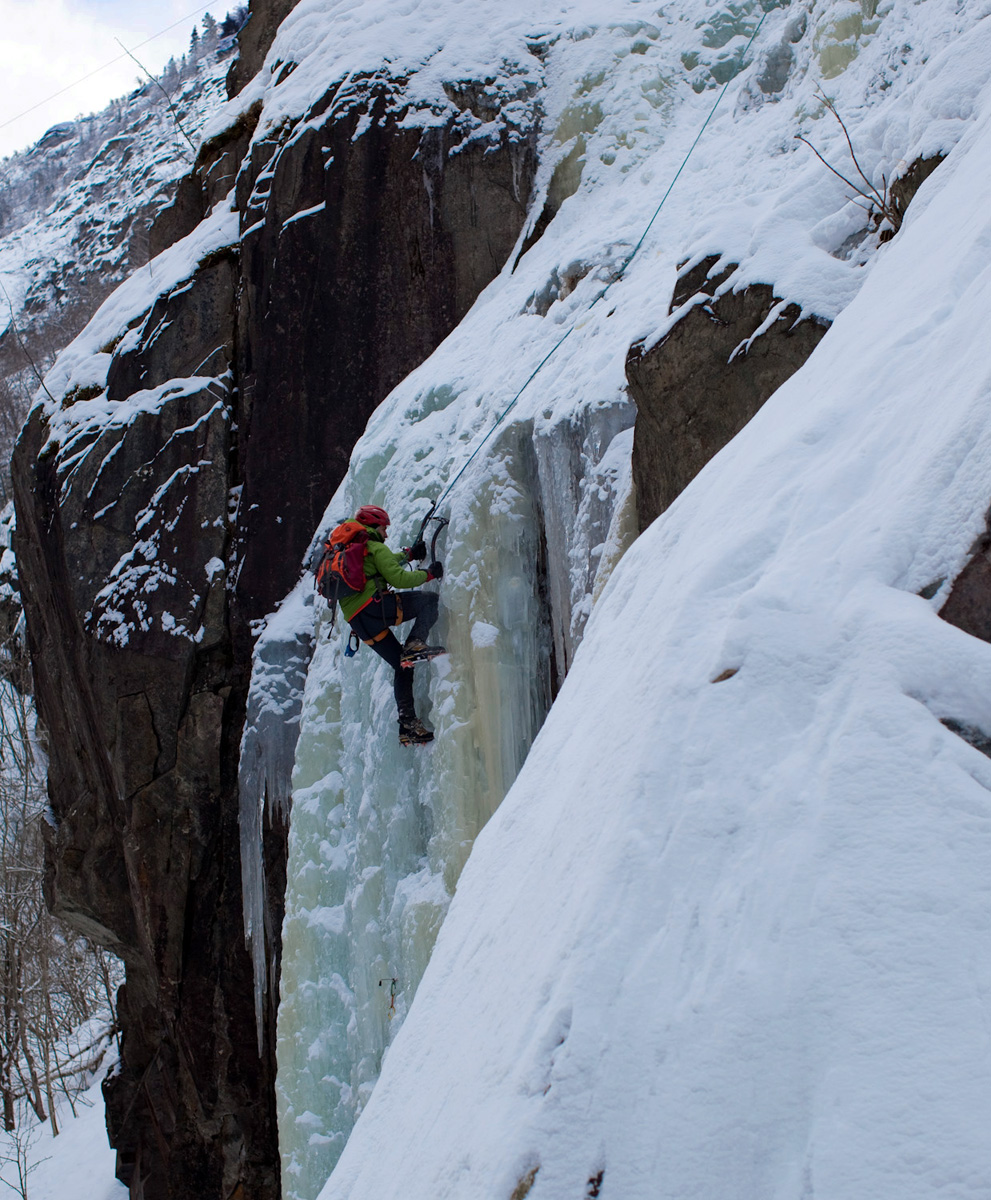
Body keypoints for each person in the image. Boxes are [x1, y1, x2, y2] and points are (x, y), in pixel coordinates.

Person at [338, 504, 445, 746]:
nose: (386, 534)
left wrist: (407, 555)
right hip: (374, 608)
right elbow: (398, 578)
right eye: (384, 528)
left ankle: (408, 725)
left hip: (360, 623)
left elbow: (384, 563)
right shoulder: (374, 546)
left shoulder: (356, 550)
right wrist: (429, 574)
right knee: (430, 602)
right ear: (375, 527)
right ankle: (416, 643)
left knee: (402, 664)